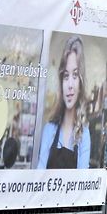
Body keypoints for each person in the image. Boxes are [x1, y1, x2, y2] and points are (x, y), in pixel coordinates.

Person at [37, 35, 91, 169]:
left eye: (75, 75)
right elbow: (39, 174)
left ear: (81, 82)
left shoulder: (84, 135)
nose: (70, 85)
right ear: (61, 81)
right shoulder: (49, 130)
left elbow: (82, 182)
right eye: (66, 76)